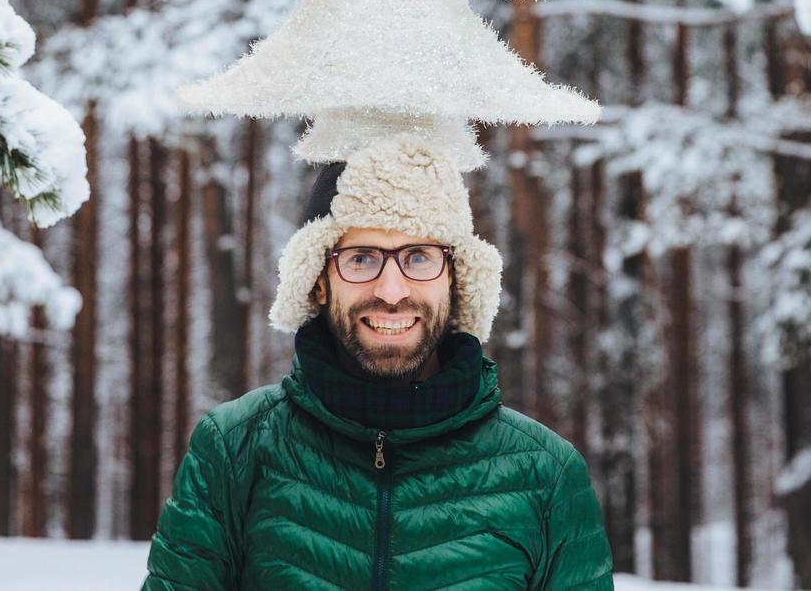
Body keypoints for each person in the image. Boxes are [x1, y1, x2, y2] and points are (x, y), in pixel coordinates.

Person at [141, 133, 613, 589]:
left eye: (420, 257)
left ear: (456, 278)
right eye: (362, 259)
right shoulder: (234, 449)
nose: (391, 291)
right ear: (320, 279)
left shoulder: (545, 474)